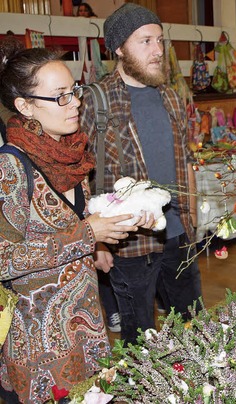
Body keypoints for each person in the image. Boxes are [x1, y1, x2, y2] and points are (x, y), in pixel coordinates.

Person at [0, 41, 148, 403]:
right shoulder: (10, 167)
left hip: (86, 329)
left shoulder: (69, 155)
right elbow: (4, 258)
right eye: (61, 96)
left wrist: (98, 244)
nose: (76, 103)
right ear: (25, 106)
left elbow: (68, 223)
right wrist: (87, 234)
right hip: (38, 345)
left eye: (75, 91)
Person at [79, 3, 203, 345]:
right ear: (119, 48)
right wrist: (97, 240)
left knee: (195, 331)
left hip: (178, 235)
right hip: (128, 245)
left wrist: (192, 220)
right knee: (140, 340)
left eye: (160, 40)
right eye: (145, 41)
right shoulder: (97, 101)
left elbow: (185, 160)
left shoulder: (172, 98)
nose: (158, 50)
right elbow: (80, 176)